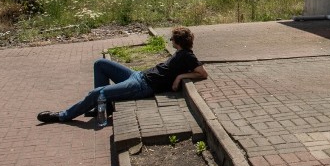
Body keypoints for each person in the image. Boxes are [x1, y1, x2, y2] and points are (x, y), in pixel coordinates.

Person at [37, 26, 208, 124]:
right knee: (100, 64)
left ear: (178, 41)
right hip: (137, 75)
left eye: (172, 39)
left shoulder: (187, 55)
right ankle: (103, 107)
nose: (170, 41)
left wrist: (179, 77)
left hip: (142, 86)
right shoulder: (180, 53)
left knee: (97, 93)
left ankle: (62, 115)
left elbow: (202, 73)